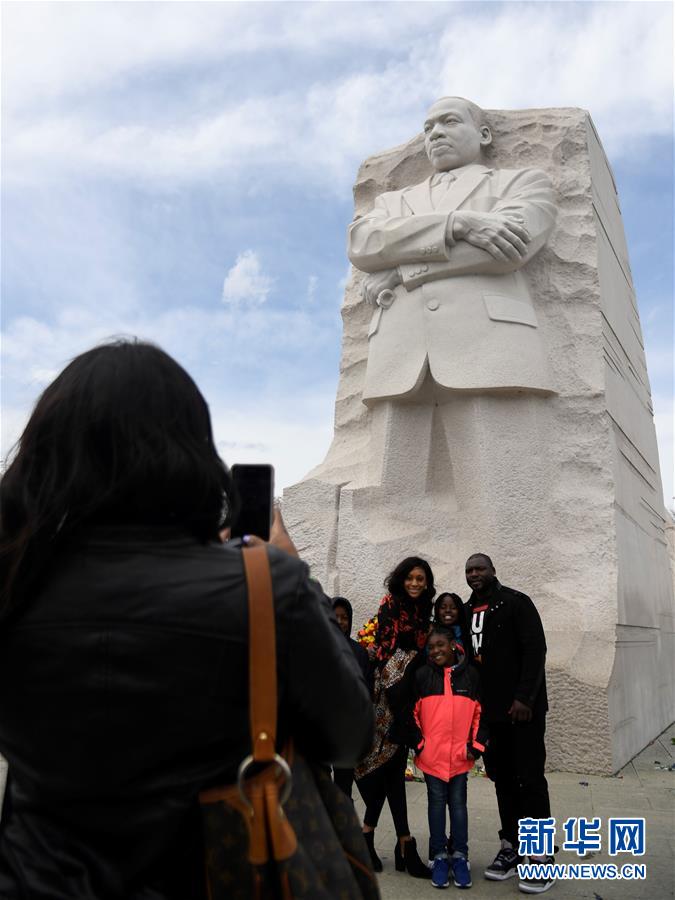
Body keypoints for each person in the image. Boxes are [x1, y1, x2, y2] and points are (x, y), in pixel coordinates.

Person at [0, 340, 374, 900]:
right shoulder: (264, 584)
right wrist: (294, 575)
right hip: (216, 871)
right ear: (192, 447)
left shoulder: (13, 579)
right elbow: (350, 738)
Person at [465, 553, 553, 895]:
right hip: (490, 716)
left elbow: (536, 651)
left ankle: (542, 859)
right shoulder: (466, 610)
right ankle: (512, 846)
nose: (475, 574)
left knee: (530, 781)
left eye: (480, 568)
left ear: (492, 571)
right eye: (469, 570)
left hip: (522, 714)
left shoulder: (516, 603)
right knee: (502, 781)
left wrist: (525, 699)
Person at [354, 556, 434, 878]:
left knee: (395, 769)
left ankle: (378, 837)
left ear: (427, 583)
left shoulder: (425, 611)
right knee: (387, 769)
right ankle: (401, 843)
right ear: (401, 580)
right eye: (410, 578)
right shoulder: (391, 605)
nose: (415, 583)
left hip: (407, 700)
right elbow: (387, 651)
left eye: (421, 579)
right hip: (385, 697)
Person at [411, 627, 486, 890]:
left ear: (453, 645)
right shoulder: (422, 676)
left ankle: (460, 856)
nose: (436, 651)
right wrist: (420, 743)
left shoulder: (471, 676)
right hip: (432, 757)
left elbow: (480, 714)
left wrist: (475, 746)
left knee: (458, 805)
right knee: (435, 805)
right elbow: (413, 714)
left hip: (459, 756)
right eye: (431, 647)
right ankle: (439, 856)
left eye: (441, 645)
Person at [332, 596, 373, 799]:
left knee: (343, 786)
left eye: (344, 617)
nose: (340, 621)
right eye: (335, 616)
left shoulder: (359, 652)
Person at [433, 591, 472, 661]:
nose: (448, 610)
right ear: (437, 611)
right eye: (443, 607)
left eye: (453, 608)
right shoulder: (431, 634)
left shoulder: (466, 634)